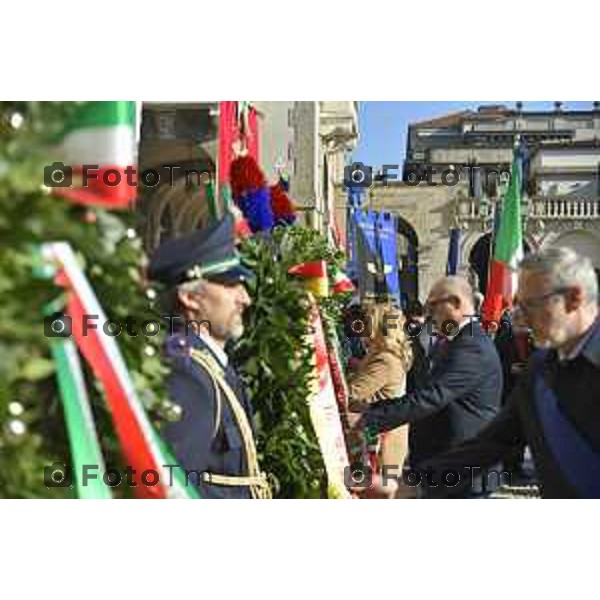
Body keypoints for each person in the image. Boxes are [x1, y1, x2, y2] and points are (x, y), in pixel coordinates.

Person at [422, 247, 600, 498]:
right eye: (519, 307)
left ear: (573, 298)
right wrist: (418, 482)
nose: (523, 320)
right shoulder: (539, 370)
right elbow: (495, 442)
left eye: (531, 306)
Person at [147, 214, 271, 499]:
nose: (245, 298)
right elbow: (172, 490)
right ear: (190, 298)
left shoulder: (212, 365)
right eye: (230, 285)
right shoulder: (187, 373)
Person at [351, 276, 503, 497]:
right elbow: (422, 394)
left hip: (464, 470)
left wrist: (369, 420)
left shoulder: (471, 346)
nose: (428, 313)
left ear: (456, 303)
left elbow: (432, 397)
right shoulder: (456, 342)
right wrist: (370, 410)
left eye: (433, 305)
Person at [346, 303, 414, 498]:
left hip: (381, 442)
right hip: (389, 436)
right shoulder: (388, 355)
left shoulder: (384, 359)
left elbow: (352, 395)